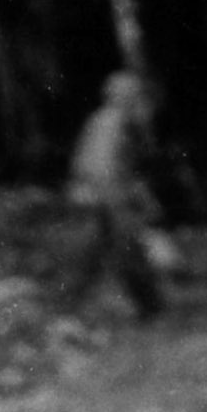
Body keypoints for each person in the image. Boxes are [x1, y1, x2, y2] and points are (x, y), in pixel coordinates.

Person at [62, 70, 167, 315]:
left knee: (92, 259)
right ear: (129, 99)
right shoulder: (112, 123)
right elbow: (101, 168)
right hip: (104, 198)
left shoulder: (106, 121)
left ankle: (71, 307)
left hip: (100, 197)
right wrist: (121, 204)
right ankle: (151, 308)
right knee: (123, 252)